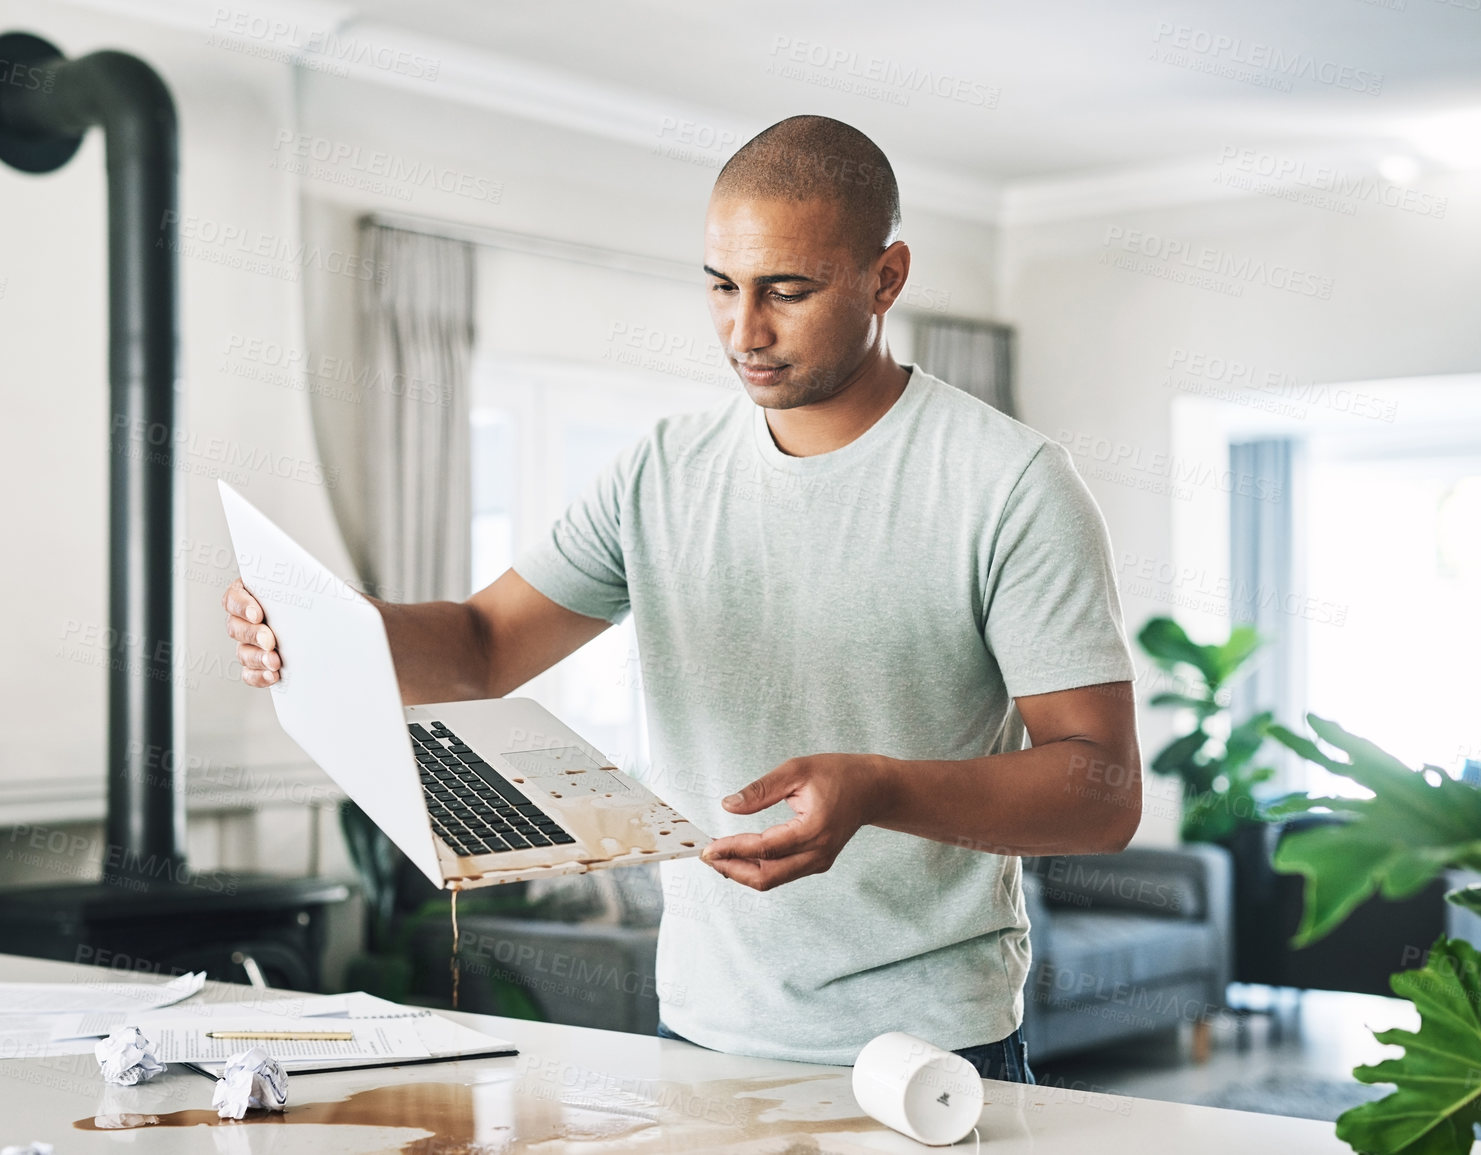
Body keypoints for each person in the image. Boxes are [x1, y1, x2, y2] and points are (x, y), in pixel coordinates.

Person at [223, 115, 1140, 1081]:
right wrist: (330, 624)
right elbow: (483, 644)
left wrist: (879, 788)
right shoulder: (660, 471)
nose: (745, 331)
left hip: (929, 1046)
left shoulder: (1010, 481)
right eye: (720, 287)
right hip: (699, 1031)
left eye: (788, 290)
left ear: (886, 277)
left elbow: (1103, 792)